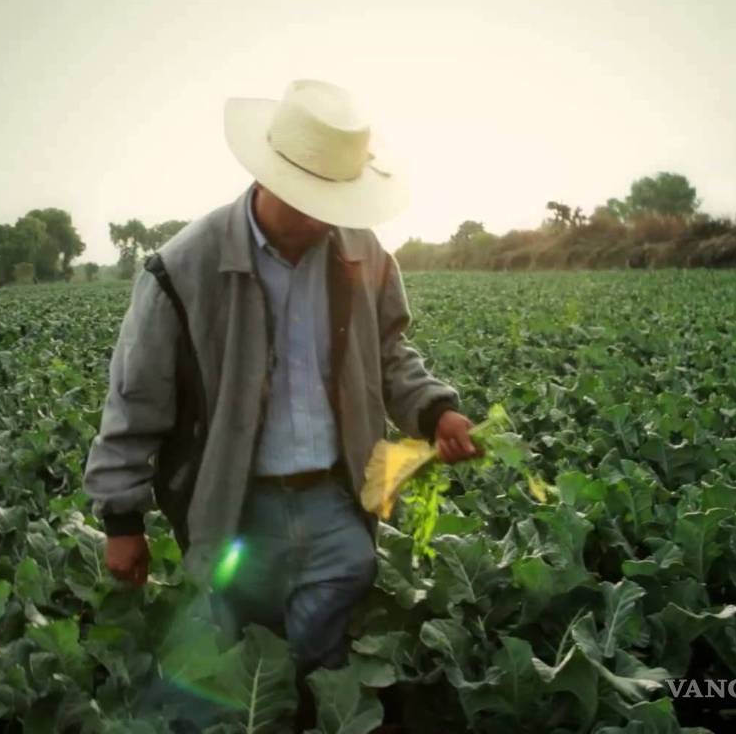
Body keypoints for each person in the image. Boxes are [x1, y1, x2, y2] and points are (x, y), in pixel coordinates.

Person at [83, 79, 477, 727]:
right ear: (269, 180)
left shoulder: (362, 252)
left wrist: (436, 412)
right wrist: (121, 520)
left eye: (335, 203)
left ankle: (307, 710)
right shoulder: (183, 269)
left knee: (329, 630)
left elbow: (391, 355)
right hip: (237, 503)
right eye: (310, 202)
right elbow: (135, 403)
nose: (324, 219)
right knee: (239, 651)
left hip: (335, 494)